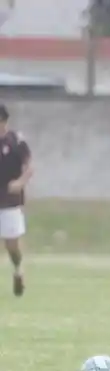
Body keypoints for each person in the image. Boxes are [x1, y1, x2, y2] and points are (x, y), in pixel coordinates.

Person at [0, 104, 33, 297]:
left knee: (12, 245)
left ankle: (18, 271)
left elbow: (29, 166)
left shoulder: (16, 141)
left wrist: (20, 182)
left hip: (9, 201)